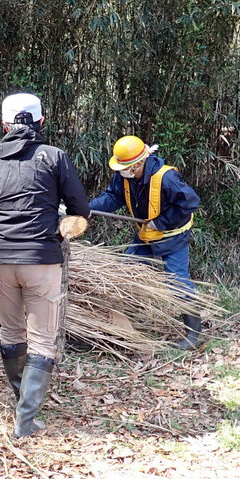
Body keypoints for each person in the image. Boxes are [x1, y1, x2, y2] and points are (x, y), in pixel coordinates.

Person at [0, 92, 91, 438]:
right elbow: (80, 210)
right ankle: (25, 420)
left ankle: (21, 404)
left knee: (11, 333)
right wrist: (58, 217)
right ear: (41, 122)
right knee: (42, 340)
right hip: (40, 258)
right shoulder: (53, 157)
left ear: (3, 125)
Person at [89, 136, 203, 349]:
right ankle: (127, 325)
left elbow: (190, 203)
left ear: (139, 163)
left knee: (177, 282)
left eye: (125, 167)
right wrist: (87, 209)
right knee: (126, 271)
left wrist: (161, 222)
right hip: (145, 236)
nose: (122, 171)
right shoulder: (125, 176)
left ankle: (193, 334)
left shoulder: (166, 177)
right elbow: (112, 198)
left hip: (173, 237)